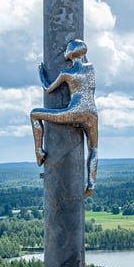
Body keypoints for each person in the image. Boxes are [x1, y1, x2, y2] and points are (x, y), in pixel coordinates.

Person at [31, 39, 98, 197]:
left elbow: (48, 89)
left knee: (34, 114)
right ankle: (91, 182)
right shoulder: (91, 69)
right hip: (91, 114)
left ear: (68, 54)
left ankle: (38, 151)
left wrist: (41, 74)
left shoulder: (66, 74)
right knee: (93, 148)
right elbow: (84, 62)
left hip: (74, 112)